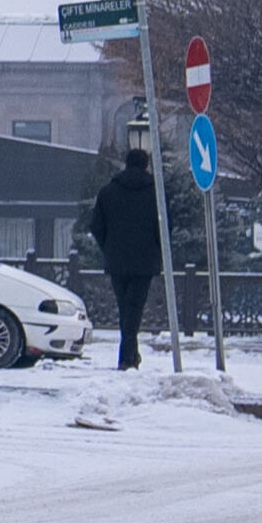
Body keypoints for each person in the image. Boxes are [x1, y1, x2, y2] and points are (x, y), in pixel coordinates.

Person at [87, 126, 170, 370]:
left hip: (117, 260)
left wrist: (109, 246)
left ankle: (128, 356)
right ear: (146, 166)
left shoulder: (108, 192)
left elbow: (96, 226)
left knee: (124, 306)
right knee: (135, 307)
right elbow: (165, 228)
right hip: (145, 262)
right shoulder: (156, 194)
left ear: (125, 165)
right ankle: (128, 357)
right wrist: (155, 249)